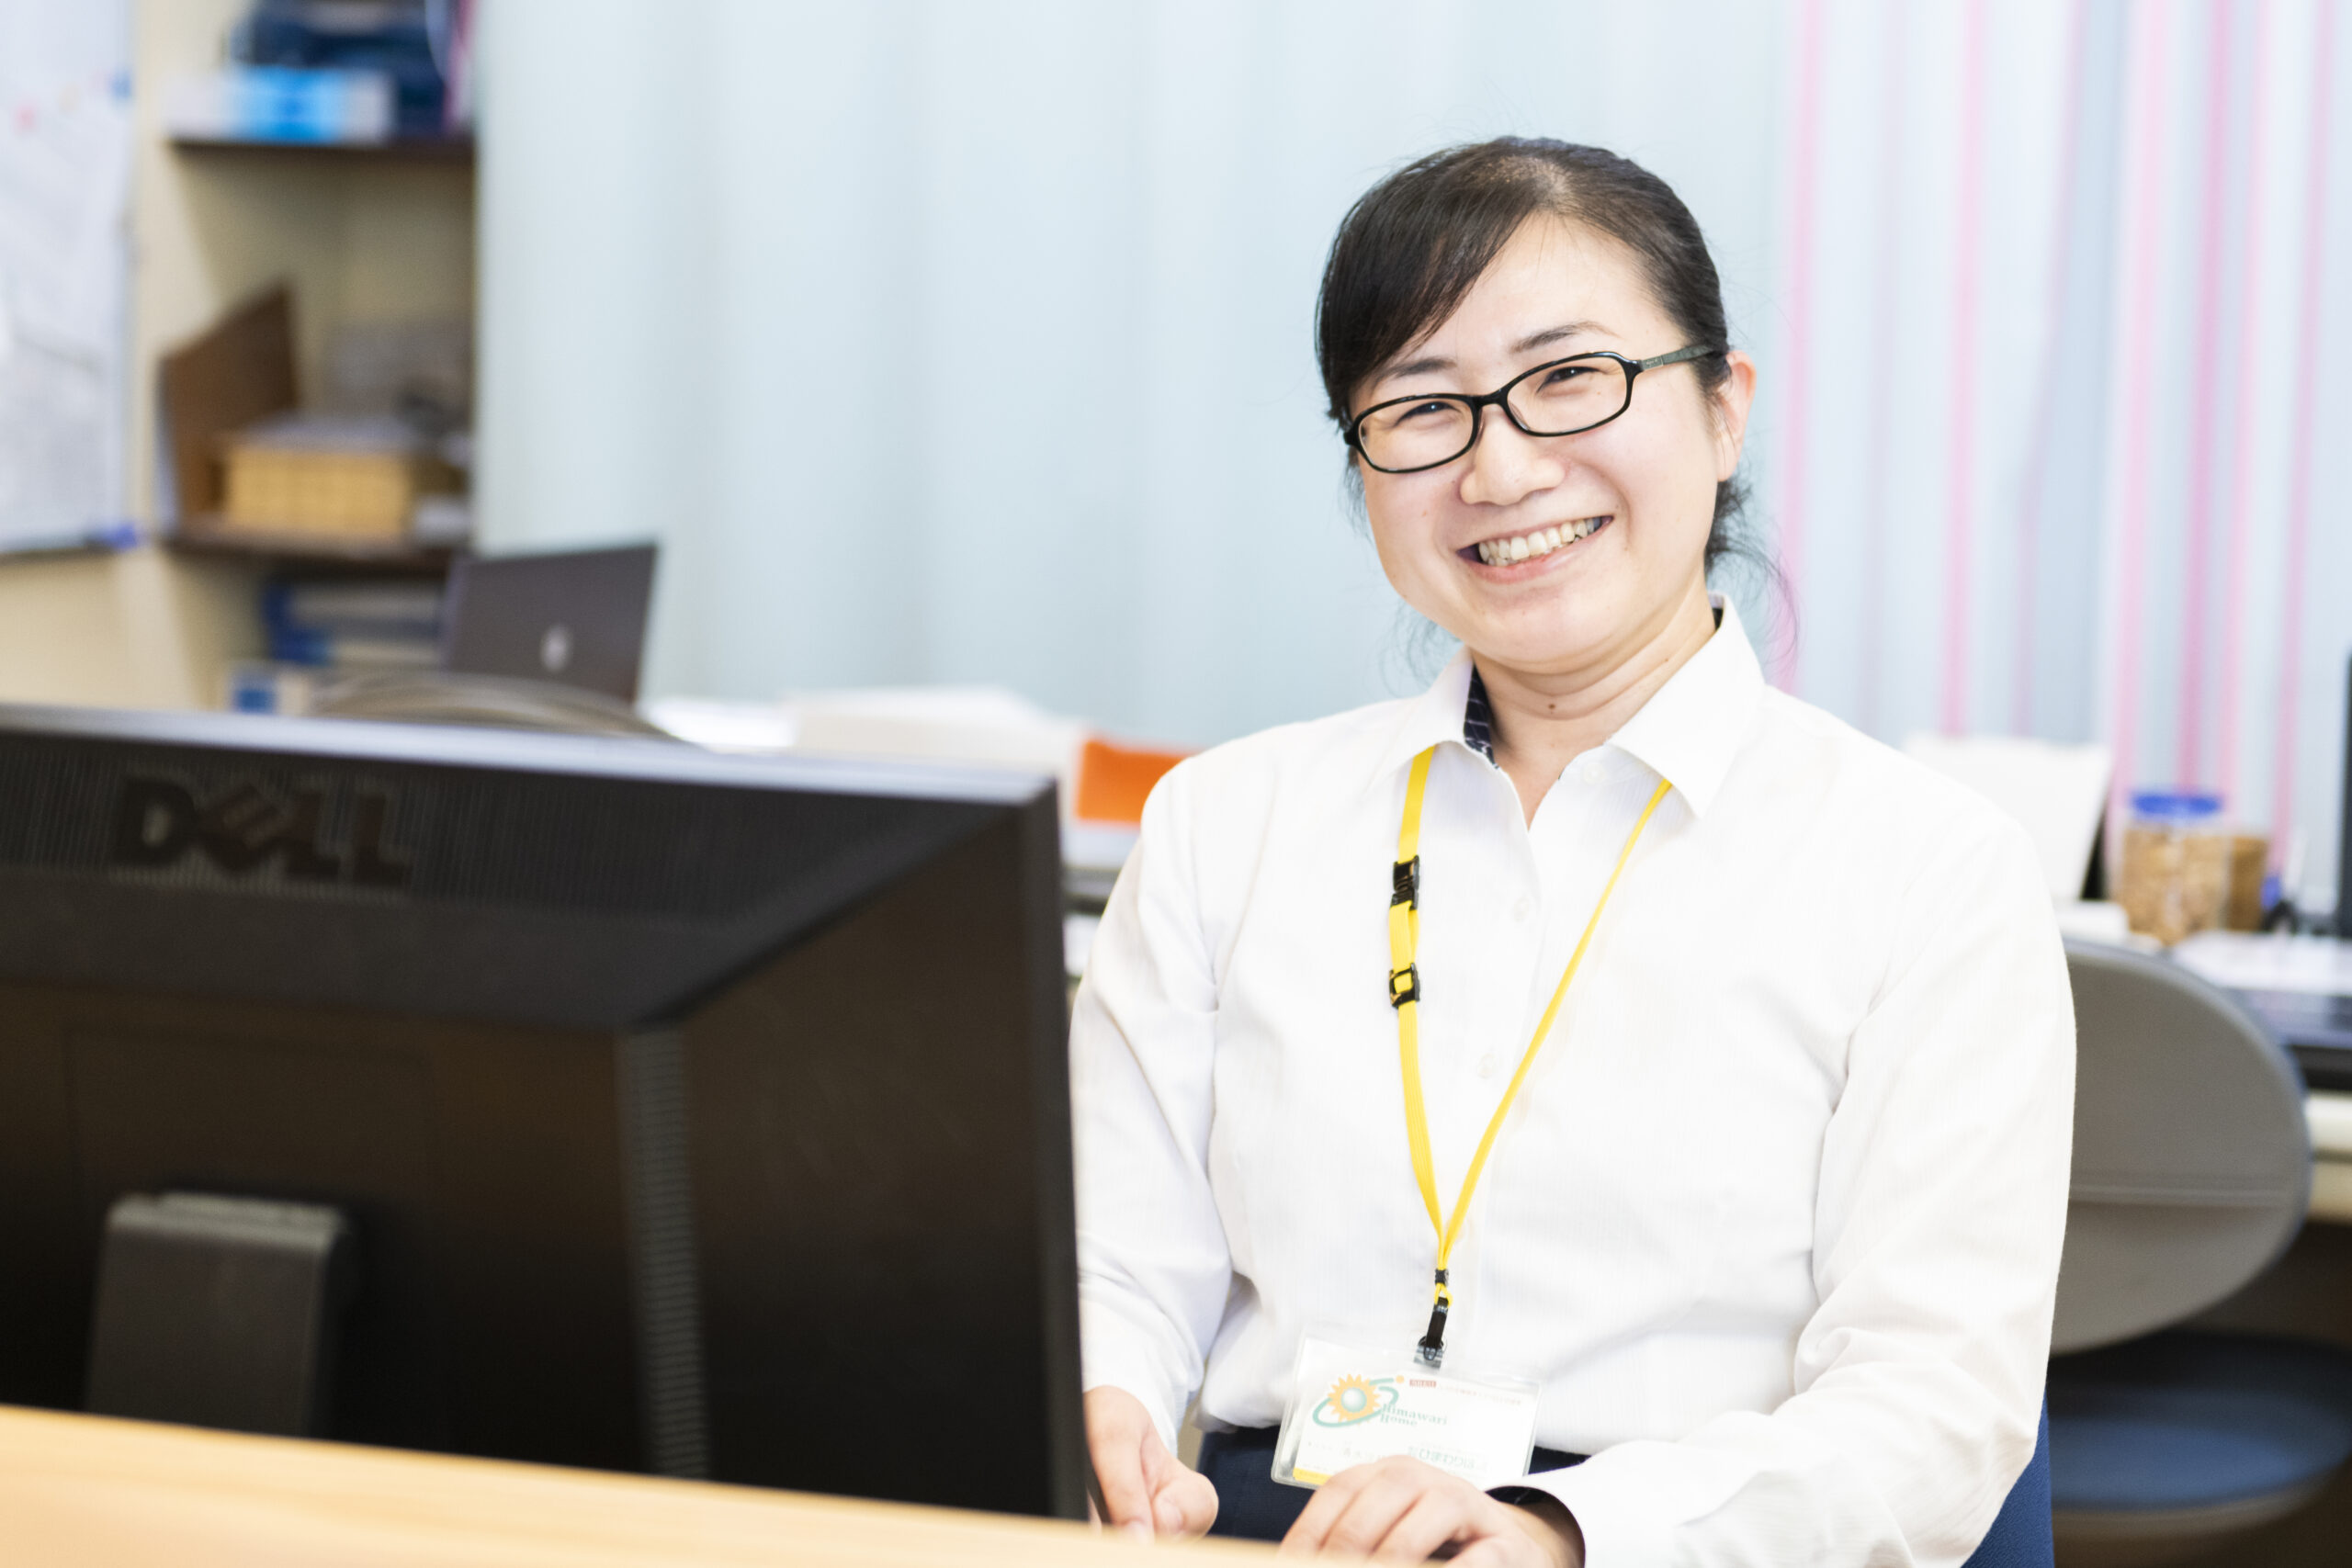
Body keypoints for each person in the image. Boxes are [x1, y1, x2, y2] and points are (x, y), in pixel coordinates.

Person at [1069, 138, 2073, 1567]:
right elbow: (1113, 1262)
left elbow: (1933, 1410)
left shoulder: (1929, 871)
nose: (1499, 465)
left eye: (1569, 379)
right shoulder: (1224, 823)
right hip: (1277, 1537)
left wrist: (1553, 1534)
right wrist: (1105, 1406)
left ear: (1723, 410)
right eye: (1422, 408)